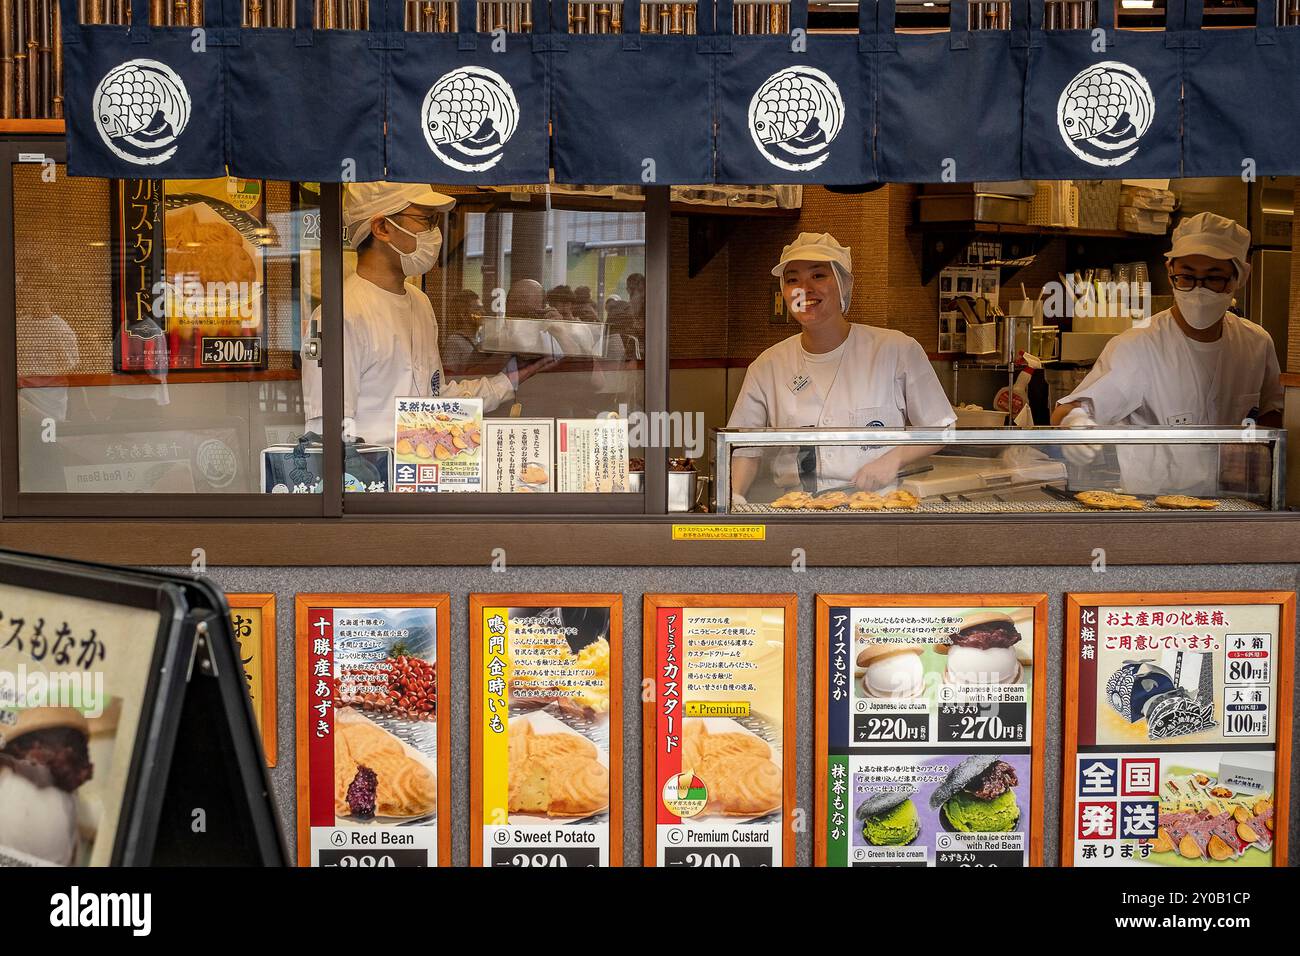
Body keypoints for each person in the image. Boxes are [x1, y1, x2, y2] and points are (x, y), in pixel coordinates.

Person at [301, 182, 550, 449]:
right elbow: (324, 432)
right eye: (425, 220)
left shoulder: (419, 302)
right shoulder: (340, 314)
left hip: (424, 474)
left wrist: (510, 380)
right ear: (382, 228)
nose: (435, 233)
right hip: (372, 482)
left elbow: (435, 398)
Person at [1052, 212, 1283, 494]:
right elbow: (1071, 409)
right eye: (1186, 277)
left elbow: (1275, 414)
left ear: (1239, 278)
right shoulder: (1138, 345)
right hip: (1154, 508)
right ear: (1169, 269)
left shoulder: (1256, 343)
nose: (1198, 290)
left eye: (1213, 279)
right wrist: (1075, 426)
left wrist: (1259, 448)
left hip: (1237, 505)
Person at [726, 232, 956, 500]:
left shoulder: (895, 350)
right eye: (792, 280)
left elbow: (941, 429)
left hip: (874, 508)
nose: (804, 288)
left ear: (844, 284)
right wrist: (735, 496)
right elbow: (743, 449)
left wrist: (892, 459)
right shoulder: (767, 366)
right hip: (795, 510)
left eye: (818, 275)